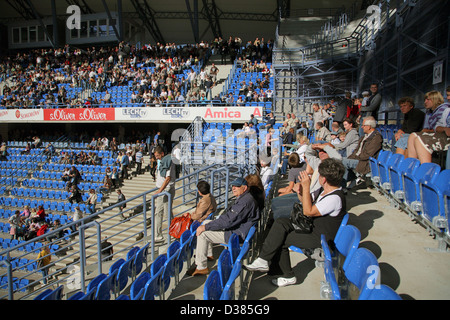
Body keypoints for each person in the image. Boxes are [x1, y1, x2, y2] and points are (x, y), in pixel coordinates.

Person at [243, 158, 346, 287]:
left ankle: (288, 275)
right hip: (314, 229)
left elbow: (308, 212)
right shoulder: (327, 192)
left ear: (323, 179)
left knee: (282, 239)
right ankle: (264, 261)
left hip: (320, 237)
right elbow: (306, 205)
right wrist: (300, 192)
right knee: (281, 222)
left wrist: (306, 187)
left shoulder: (334, 199)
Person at [187, 177, 260, 276]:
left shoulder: (245, 201)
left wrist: (205, 227)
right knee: (205, 223)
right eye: (233, 186)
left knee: (202, 233)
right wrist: (207, 225)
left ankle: (201, 267)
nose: (234, 188)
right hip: (238, 229)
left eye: (237, 186)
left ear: (245, 188)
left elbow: (228, 221)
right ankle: (209, 254)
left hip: (236, 235)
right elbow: (230, 219)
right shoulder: (245, 198)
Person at [406, 91, 450, 164]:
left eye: (428, 100)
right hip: (436, 133)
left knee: (419, 139)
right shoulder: (428, 112)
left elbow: (436, 129)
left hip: (443, 136)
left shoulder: (443, 109)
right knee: (412, 136)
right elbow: (436, 127)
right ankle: (412, 167)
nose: (425, 102)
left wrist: (429, 130)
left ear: (435, 99)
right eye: (425, 100)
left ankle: (426, 171)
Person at [342, 116, 383, 190]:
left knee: (343, 161)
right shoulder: (364, 137)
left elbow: (368, 154)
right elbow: (356, 150)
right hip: (358, 158)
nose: (362, 127)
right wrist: (352, 157)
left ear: (369, 127)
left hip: (365, 162)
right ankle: (351, 179)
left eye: (363, 125)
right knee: (338, 159)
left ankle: (343, 186)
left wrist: (354, 157)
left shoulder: (376, 138)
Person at [153, 146, 176, 242]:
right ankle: (158, 234)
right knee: (158, 212)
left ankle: (172, 232)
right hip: (161, 190)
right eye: (155, 156)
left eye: (158, 155)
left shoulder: (169, 161)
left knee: (166, 213)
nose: (156, 158)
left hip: (166, 190)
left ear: (162, 153)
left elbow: (168, 179)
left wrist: (160, 191)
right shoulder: (162, 161)